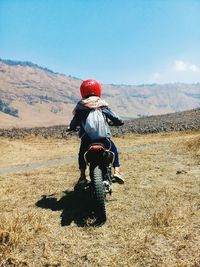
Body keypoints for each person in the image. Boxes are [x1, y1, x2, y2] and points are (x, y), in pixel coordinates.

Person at [69, 79, 125, 184]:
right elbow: (117, 119)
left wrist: (71, 128)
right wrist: (118, 123)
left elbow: (74, 122)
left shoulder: (81, 107)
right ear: (98, 89)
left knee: (82, 153)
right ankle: (117, 171)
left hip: (87, 140)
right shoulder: (102, 105)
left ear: (83, 91)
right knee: (114, 150)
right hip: (104, 139)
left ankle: (82, 176)